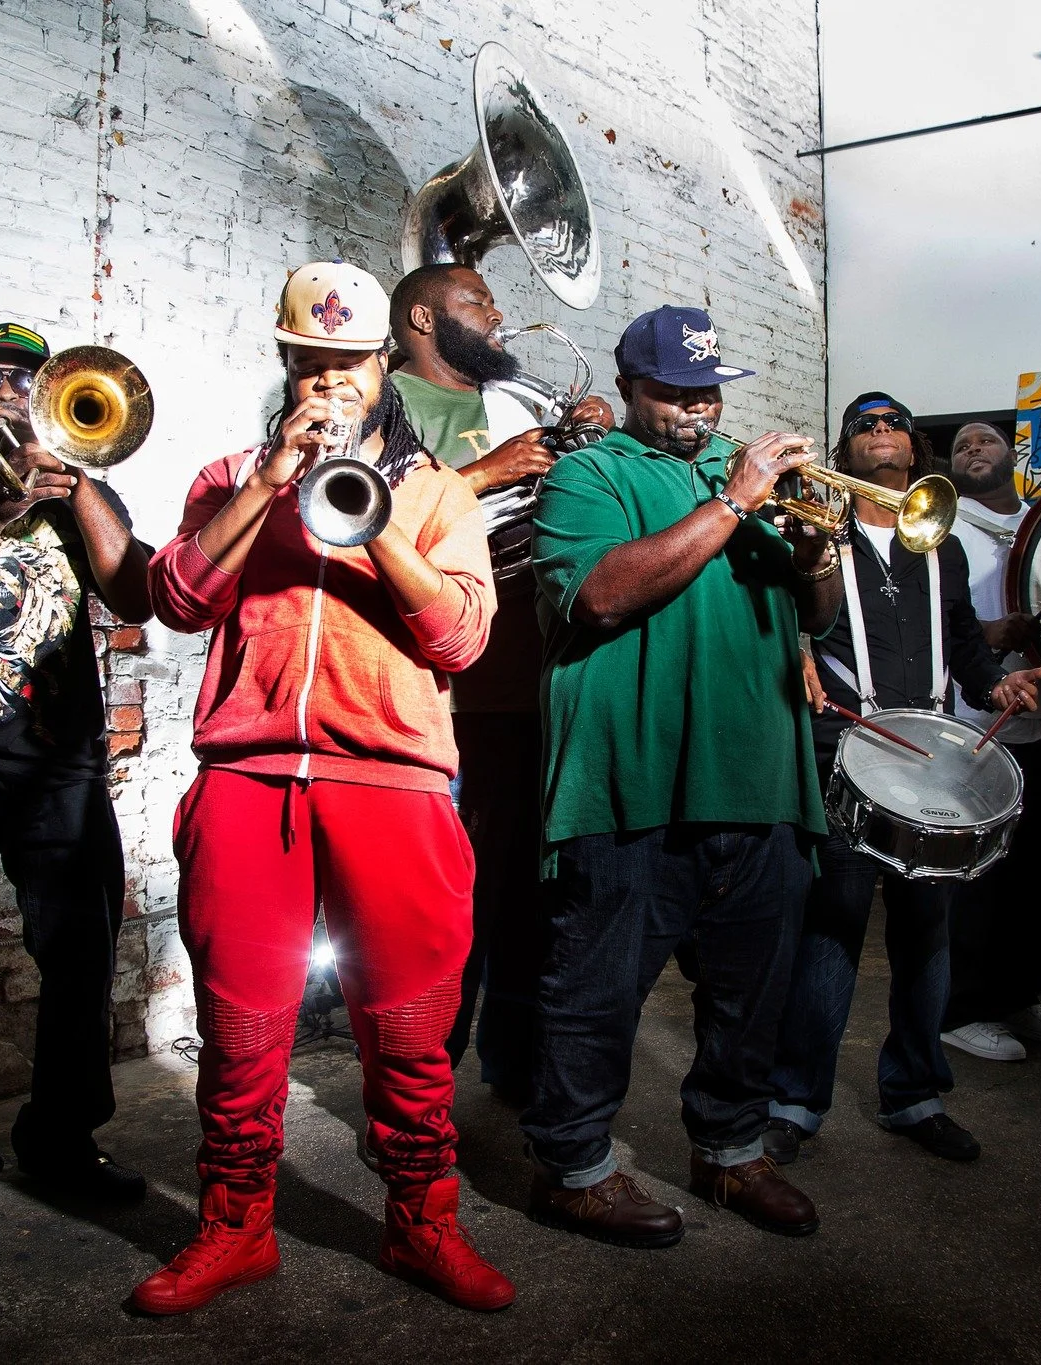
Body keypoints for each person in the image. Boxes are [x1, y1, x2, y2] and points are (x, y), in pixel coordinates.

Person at [134, 260, 512, 1313]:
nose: (331, 381)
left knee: (406, 1034)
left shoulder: (437, 491)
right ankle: (234, 1229)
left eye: (350, 362)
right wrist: (269, 484)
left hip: (393, 786)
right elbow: (175, 600)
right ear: (287, 361)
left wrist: (374, 509)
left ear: (383, 361)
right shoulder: (225, 478)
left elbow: (460, 638)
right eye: (312, 361)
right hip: (248, 780)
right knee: (242, 1031)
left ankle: (421, 1228)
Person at [522, 305, 837, 1248]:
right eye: (673, 393)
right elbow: (603, 596)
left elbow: (813, 615)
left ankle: (732, 1148)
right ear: (629, 390)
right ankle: (575, 1168)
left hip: (759, 777)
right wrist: (733, 502)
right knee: (596, 989)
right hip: (630, 780)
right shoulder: (588, 474)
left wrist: (819, 552)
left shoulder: (753, 476)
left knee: (753, 989)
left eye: (708, 391)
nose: (698, 411)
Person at [0, 323, 156, 1268]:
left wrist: (80, 480)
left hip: (60, 759)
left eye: (23, 382)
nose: (6, 397)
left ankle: (60, 1139)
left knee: (83, 956)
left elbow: (136, 593)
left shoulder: (78, 477)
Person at [768, 394, 1041, 1167]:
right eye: (864, 425)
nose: (880, 434)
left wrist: (996, 686)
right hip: (845, 746)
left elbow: (961, 639)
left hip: (927, 748)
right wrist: (791, 645)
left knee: (928, 932)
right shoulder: (817, 530)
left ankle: (916, 1092)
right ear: (845, 450)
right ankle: (795, 1098)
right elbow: (777, 613)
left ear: (914, 451)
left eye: (893, 425)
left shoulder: (940, 543)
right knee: (833, 925)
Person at [387, 262, 614, 1102]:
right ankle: (419, 1091)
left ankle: (514, 1075)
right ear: (422, 317)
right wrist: (484, 475)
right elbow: (356, 515)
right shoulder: (383, 400)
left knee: (528, 899)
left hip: (534, 685)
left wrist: (596, 436)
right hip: (443, 697)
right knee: (440, 912)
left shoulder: (517, 400)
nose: (497, 315)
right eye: (476, 303)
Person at [936, 420, 1041, 1063]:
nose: (974, 449)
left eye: (987, 441)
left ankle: (1017, 997)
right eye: (962, 445)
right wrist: (989, 633)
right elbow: (928, 614)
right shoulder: (942, 524)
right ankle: (962, 1009)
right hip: (988, 719)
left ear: (1013, 456)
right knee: (983, 874)